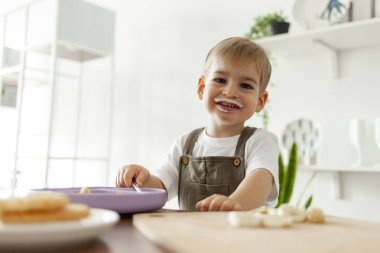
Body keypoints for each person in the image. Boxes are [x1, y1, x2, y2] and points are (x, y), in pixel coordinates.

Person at [116, 37, 279, 211]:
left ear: (260, 101)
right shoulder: (185, 143)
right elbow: (161, 186)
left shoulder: (260, 141)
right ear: (202, 88)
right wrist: (143, 179)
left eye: (245, 85)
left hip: (240, 237)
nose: (230, 92)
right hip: (188, 236)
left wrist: (236, 203)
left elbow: (261, 180)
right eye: (220, 80)